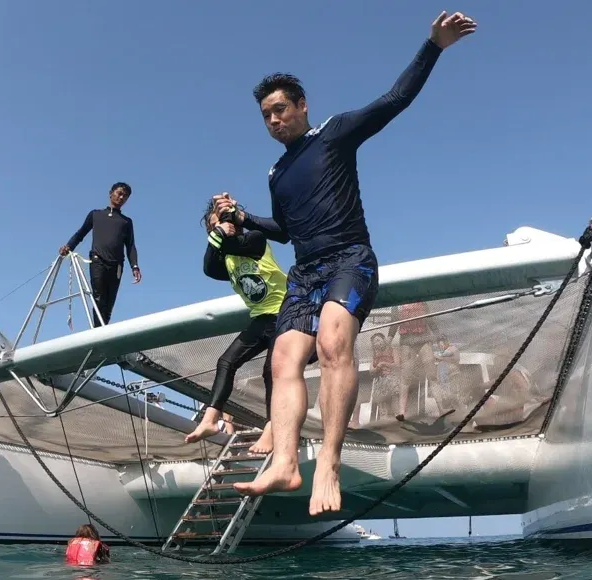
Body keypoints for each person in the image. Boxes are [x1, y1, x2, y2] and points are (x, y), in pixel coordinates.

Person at [217, 11, 477, 515]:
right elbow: (285, 229)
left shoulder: (333, 134)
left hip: (349, 259)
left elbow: (393, 100)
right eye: (266, 116)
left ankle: (329, 463)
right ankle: (286, 463)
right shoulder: (276, 172)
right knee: (283, 359)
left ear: (302, 105)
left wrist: (433, 46)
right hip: (305, 272)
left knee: (334, 342)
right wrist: (243, 217)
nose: (273, 121)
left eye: (280, 110)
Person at [183, 197, 293, 455]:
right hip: (262, 318)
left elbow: (230, 244)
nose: (218, 229)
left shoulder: (255, 240)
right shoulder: (227, 260)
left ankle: (272, 428)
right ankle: (211, 419)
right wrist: (218, 233)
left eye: (221, 223)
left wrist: (226, 224)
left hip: (286, 312)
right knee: (226, 362)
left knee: (271, 371)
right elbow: (209, 268)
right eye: (213, 227)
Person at [59, 182, 142, 326]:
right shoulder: (96, 214)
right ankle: (98, 330)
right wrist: (69, 246)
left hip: (116, 265)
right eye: (119, 193)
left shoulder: (126, 222)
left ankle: (103, 330)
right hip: (98, 261)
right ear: (111, 193)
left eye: (125, 196)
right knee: (99, 298)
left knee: (109, 303)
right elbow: (80, 234)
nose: (121, 197)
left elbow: (130, 246)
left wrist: (135, 266)